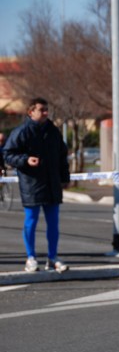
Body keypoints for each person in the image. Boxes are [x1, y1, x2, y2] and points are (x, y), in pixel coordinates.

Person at [4, 97, 70, 273]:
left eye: (47, 109)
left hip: (52, 184)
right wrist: (26, 160)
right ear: (31, 112)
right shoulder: (21, 132)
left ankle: (53, 258)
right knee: (30, 222)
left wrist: (64, 178)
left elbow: (62, 156)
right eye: (42, 110)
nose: (46, 113)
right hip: (32, 184)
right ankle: (30, 258)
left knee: (53, 223)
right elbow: (8, 154)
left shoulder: (53, 131)